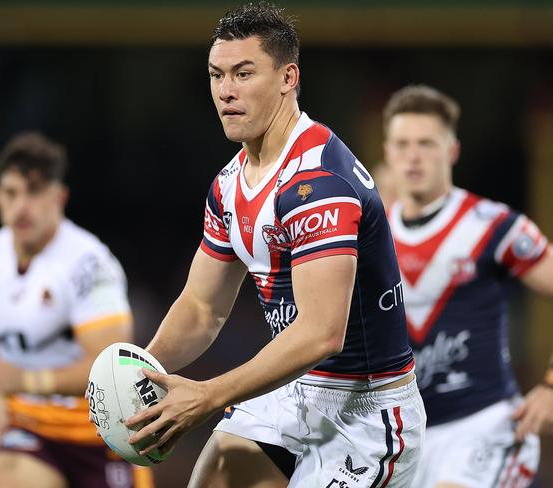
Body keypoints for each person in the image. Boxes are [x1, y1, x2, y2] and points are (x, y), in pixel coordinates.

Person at [123, 4, 426, 487]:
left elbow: (322, 334)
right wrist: (139, 378)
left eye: (244, 73)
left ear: (289, 77)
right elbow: (203, 307)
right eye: (217, 75)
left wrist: (208, 395)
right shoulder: (228, 184)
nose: (226, 91)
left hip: (366, 410)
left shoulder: (316, 181)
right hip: (295, 391)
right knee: (215, 476)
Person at [0, 132, 153, 488]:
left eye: (34, 192)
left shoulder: (89, 267)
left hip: (104, 433)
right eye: (11, 193)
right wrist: (0, 406)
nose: (21, 207)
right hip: (31, 431)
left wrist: (26, 381)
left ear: (59, 197)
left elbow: (112, 371)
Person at [382, 84, 553, 488]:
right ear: (388, 153)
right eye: (402, 144)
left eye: (426, 143)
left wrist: (550, 386)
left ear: (451, 150)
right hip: (399, 439)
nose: (413, 156)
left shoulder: (493, 226)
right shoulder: (369, 238)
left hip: (483, 426)